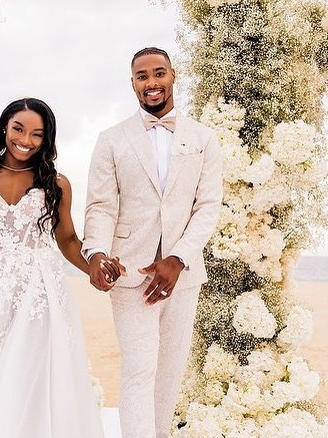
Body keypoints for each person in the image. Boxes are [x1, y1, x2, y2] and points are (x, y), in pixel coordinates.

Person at [0, 97, 122, 437]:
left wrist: (95, 263)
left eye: (37, 134)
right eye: (19, 129)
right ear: (5, 127)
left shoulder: (57, 183)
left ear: (46, 139)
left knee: (32, 368)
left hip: (41, 288)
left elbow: (67, 240)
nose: (26, 140)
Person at [83, 48, 223, 438]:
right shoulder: (111, 139)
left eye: (158, 73)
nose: (151, 82)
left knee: (170, 371)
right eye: (142, 76)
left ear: (173, 76)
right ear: (133, 84)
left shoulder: (203, 138)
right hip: (130, 274)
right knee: (139, 369)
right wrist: (95, 252)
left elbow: (208, 206)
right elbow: (100, 205)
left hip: (184, 276)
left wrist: (177, 258)